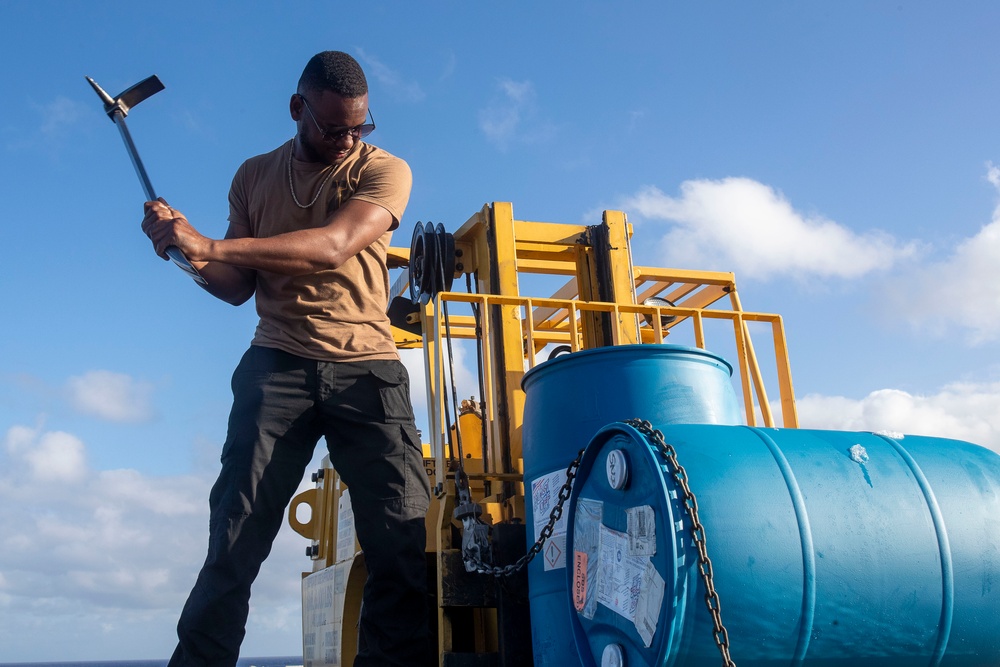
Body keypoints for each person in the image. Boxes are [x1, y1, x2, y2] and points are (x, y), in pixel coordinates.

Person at [141, 51, 431, 667]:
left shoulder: (385, 169)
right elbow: (235, 285)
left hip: (367, 368)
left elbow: (334, 246)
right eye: (333, 127)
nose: (349, 139)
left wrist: (210, 243)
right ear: (298, 108)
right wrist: (184, 251)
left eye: (360, 126)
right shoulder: (252, 176)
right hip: (277, 365)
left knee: (402, 543)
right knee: (233, 543)